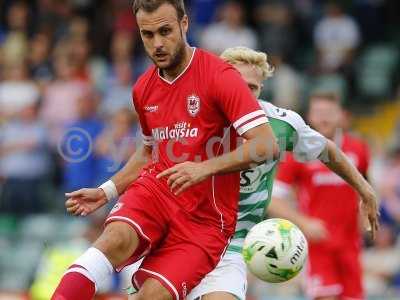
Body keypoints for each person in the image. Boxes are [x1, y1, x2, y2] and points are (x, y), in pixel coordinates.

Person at [51, 1, 279, 300]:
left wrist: (203, 168)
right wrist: (106, 191)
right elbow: (148, 153)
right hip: (156, 192)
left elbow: (266, 145)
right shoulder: (143, 88)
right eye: (147, 34)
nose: (157, 43)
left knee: (152, 296)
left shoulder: (220, 76)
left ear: (184, 24)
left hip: (205, 222)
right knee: (113, 240)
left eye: (165, 31)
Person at [130, 47, 379, 300]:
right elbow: (149, 161)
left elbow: (328, 150)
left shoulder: (279, 125)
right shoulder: (191, 119)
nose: (244, 94)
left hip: (234, 242)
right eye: (237, 84)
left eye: (253, 88)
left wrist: (365, 190)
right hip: (181, 235)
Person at [270, 93, 373, 300]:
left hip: (350, 245)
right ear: (309, 116)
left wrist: (366, 217)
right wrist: (304, 223)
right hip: (318, 247)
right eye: (318, 113)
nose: (323, 119)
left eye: (329, 113)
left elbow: (366, 189)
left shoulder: (358, 149)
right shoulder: (298, 153)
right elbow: (272, 200)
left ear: (343, 116)